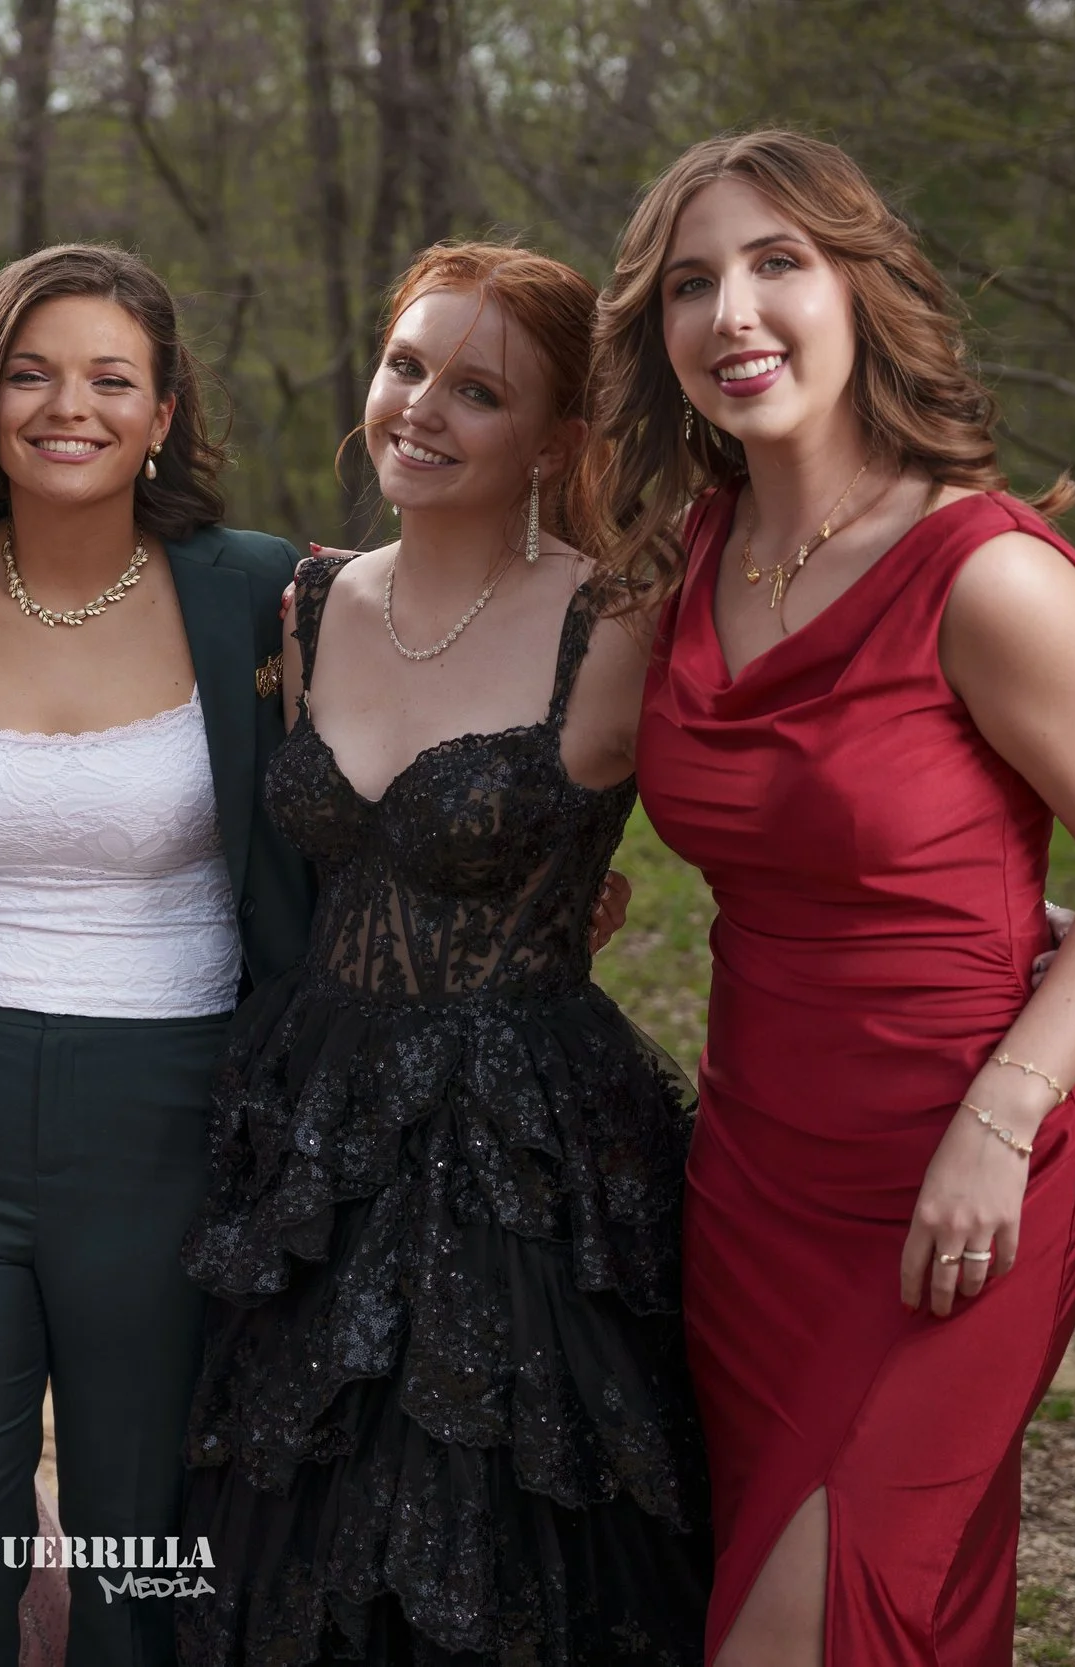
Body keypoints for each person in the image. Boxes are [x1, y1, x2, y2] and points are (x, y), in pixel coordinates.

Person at [597, 130, 1075, 1665]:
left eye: (777, 264)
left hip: (970, 1171)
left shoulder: (984, 575)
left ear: (862, 292)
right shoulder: (693, 556)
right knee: (904, 1606)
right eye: (691, 283)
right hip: (751, 1181)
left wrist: (1000, 1117)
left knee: (821, 1614)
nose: (731, 313)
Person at [179, 242, 709, 1667]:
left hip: (518, 1146)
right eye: (407, 364)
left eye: (478, 390)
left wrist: (987, 920)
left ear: (556, 441)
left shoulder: (615, 622)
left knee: (495, 1526)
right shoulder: (303, 604)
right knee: (295, 1514)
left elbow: (788, 804)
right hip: (314, 1124)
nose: (420, 406)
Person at [0, 243, 315, 1667]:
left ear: (163, 413)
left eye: (113, 378)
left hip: (177, 1105)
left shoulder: (262, 597)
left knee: (143, 1542)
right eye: (32, 373)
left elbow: (379, 765)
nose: (69, 406)